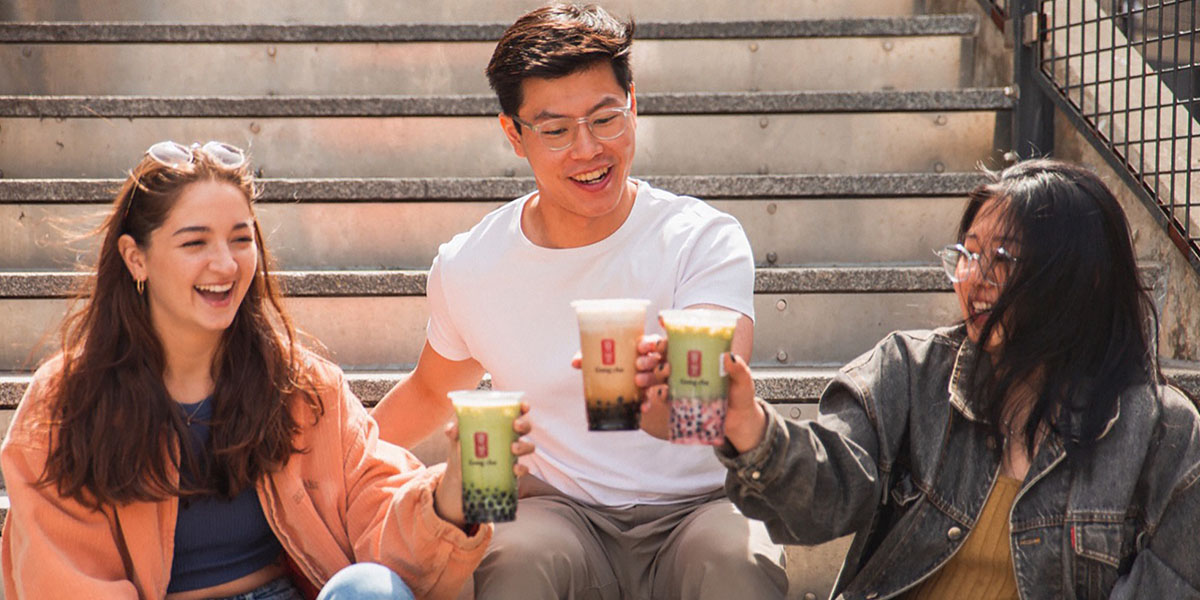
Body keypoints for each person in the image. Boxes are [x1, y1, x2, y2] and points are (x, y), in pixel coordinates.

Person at [371, 4, 787, 599]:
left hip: (700, 505)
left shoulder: (701, 237)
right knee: (512, 563)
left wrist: (656, 397)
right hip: (559, 511)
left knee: (735, 565)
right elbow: (433, 391)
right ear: (514, 134)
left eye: (605, 118)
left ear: (633, 106)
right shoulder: (471, 265)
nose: (588, 149)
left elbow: (709, 404)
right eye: (556, 129)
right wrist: (330, 462)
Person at [641, 159, 1200, 598]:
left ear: (1084, 280)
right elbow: (825, 497)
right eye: (968, 253)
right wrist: (749, 425)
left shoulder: (1162, 434)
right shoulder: (909, 374)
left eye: (1001, 259)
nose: (971, 280)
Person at [1, 141, 532, 600]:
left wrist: (450, 496)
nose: (226, 264)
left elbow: (377, 512)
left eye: (240, 237)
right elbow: (64, 578)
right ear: (135, 258)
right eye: (194, 242)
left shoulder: (301, 386)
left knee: (370, 588)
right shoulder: (65, 404)